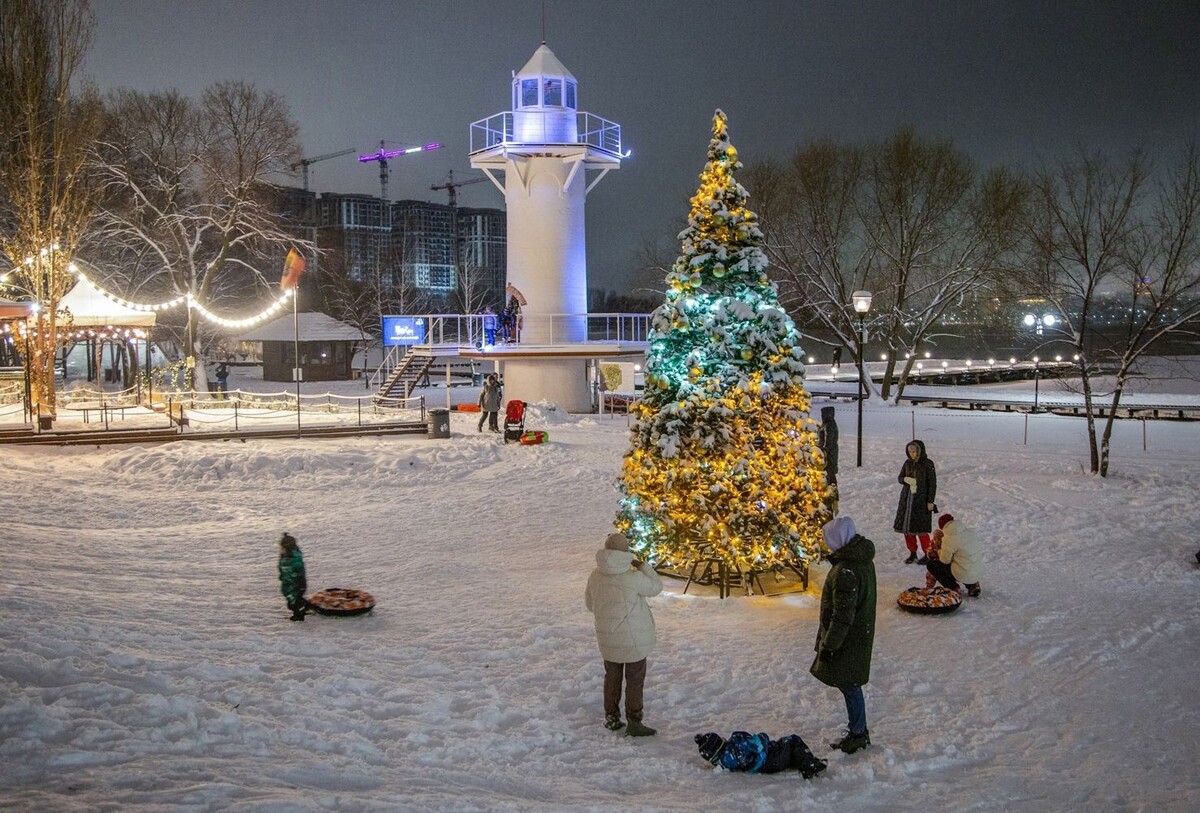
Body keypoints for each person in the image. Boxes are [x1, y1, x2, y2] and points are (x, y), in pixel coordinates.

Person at [584, 531, 662, 737]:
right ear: (626, 552)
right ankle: (634, 721)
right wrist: (644, 566)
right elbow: (656, 587)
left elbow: (590, 604)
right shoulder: (632, 577)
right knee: (635, 679)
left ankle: (611, 717)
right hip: (633, 639)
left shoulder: (595, 576)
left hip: (607, 637)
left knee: (612, 676)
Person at [811, 516, 877, 755]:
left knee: (850, 684)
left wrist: (830, 645)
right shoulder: (859, 561)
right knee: (850, 684)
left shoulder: (846, 571)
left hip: (849, 639)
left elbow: (842, 615)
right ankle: (858, 730)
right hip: (858, 634)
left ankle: (858, 733)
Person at [694, 731, 827, 779]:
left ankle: (796, 760)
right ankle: (810, 765)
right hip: (771, 758)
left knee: (786, 751)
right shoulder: (737, 745)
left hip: (766, 767)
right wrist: (762, 737)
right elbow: (758, 741)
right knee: (792, 740)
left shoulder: (724, 762)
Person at [893, 439, 937, 564]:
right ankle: (912, 552)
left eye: (914, 451)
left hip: (921, 500)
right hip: (907, 500)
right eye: (910, 451)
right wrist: (906, 479)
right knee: (907, 529)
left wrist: (930, 501)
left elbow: (932, 484)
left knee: (921, 529)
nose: (912, 454)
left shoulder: (928, 464)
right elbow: (900, 478)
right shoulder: (907, 463)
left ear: (920, 451)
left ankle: (928, 553)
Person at [926, 513, 982, 597]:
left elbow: (944, 560)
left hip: (962, 572)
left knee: (931, 564)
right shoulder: (969, 531)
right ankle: (973, 585)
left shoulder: (948, 539)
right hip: (977, 571)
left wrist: (938, 551)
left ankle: (953, 587)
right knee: (964, 561)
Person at [278, 533, 308, 621]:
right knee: (294, 601)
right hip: (289, 583)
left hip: (296, 584)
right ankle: (303, 607)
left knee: (294, 603)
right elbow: (282, 568)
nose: (279, 550)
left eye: (281, 548)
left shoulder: (292, 558)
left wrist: (296, 581)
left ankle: (299, 615)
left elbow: (295, 571)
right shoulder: (287, 556)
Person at [818, 406, 839, 513]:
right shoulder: (830, 423)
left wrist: (824, 451)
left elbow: (828, 440)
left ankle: (832, 498)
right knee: (830, 474)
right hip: (832, 454)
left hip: (829, 455)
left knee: (830, 475)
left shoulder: (828, 425)